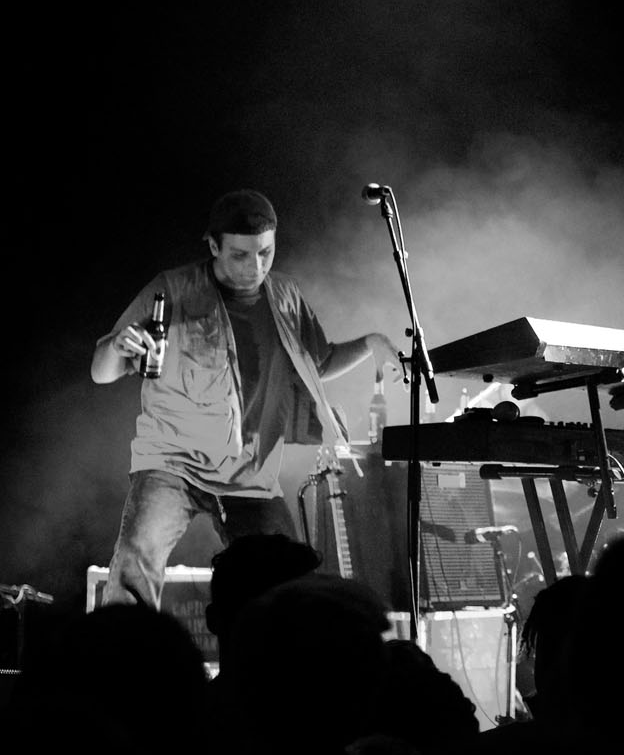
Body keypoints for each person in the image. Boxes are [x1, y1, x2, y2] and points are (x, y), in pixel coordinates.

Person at [91, 189, 401, 608]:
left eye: (265, 253)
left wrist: (371, 343)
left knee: (289, 587)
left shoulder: (285, 295)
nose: (254, 267)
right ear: (213, 246)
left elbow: (319, 363)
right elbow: (101, 372)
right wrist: (117, 347)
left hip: (251, 474)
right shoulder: (173, 289)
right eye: (240, 255)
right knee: (134, 564)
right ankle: (123, 649)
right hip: (172, 462)